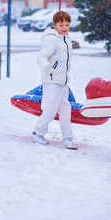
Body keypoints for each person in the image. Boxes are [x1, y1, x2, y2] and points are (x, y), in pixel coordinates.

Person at [32, 10, 77, 149]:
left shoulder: (66, 39)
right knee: (50, 110)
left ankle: (67, 138)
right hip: (52, 81)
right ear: (54, 24)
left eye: (67, 24)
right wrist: (47, 66)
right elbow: (41, 57)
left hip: (63, 82)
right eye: (61, 25)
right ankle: (37, 132)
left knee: (65, 110)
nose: (64, 28)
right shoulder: (51, 39)